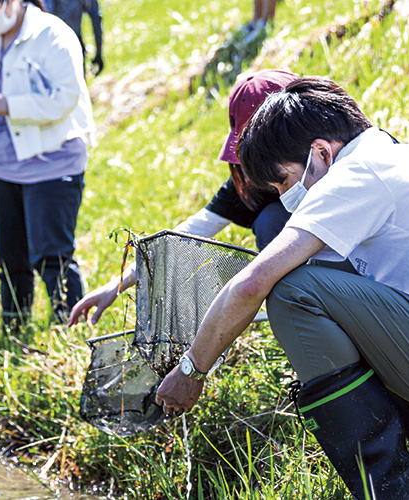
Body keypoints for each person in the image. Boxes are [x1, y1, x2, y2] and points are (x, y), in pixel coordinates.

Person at [153, 78, 409, 499]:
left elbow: (252, 283)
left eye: (284, 183)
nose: (285, 200)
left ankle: (396, 490)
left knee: (294, 289)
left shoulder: (354, 176)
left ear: (320, 152)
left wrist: (192, 369)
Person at [66, 69, 301, 327]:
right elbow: (186, 234)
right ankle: (298, 307)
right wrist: (119, 283)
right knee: (271, 222)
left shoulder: (339, 161)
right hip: (309, 281)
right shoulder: (250, 184)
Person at [0, 0, 95, 330]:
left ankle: (71, 331)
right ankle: (15, 328)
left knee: (52, 257)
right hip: (1, 165)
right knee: (9, 257)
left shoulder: (53, 35)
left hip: (51, 162)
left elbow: (65, 97)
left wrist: (10, 105)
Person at [40, 0, 106, 76]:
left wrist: (98, 51)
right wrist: (98, 51)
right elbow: (95, 17)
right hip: (69, 47)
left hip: (53, 48)